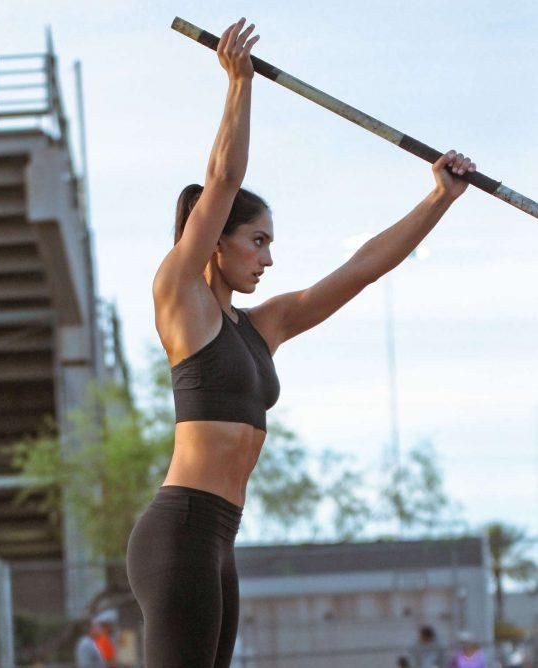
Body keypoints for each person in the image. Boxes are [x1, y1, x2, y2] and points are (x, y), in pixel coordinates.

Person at [126, 16, 476, 668]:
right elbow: (223, 179)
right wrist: (239, 84)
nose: (268, 258)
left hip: (219, 539)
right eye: (257, 241)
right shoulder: (181, 298)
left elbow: (362, 268)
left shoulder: (261, 328)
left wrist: (440, 199)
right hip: (180, 532)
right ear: (217, 240)